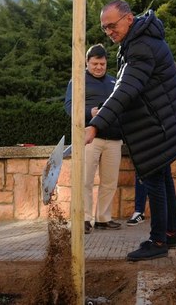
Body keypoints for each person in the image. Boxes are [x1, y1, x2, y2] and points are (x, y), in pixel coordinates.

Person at [85, 0, 176, 261]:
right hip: (161, 124)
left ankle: (158, 241)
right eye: (104, 28)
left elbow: (126, 89)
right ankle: (171, 233)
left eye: (112, 25)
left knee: (154, 179)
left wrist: (96, 125)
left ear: (129, 19)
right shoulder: (138, 41)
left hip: (157, 127)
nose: (109, 31)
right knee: (163, 177)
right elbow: (128, 86)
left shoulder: (141, 46)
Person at [65, 44, 123, 234]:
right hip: (89, 138)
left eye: (102, 63)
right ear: (87, 62)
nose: (99, 67)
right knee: (85, 181)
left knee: (109, 181)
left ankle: (103, 219)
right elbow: (69, 107)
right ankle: (83, 219)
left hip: (114, 139)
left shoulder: (114, 82)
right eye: (95, 63)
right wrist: (90, 112)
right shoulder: (78, 80)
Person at [127, 62, 176, 226]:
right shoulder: (135, 62)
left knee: (159, 176)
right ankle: (165, 228)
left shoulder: (169, 64)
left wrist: (167, 113)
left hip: (162, 128)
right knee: (151, 174)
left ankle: (163, 234)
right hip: (143, 128)